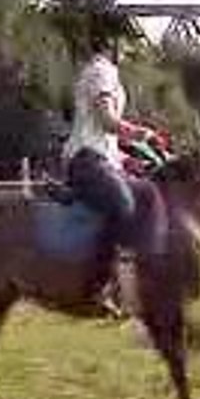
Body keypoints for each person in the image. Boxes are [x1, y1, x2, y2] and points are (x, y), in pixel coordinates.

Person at [62, 33, 161, 316]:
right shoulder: (101, 72)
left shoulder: (106, 73)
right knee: (123, 205)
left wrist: (130, 160)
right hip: (87, 161)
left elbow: (106, 140)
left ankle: (129, 285)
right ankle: (96, 288)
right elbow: (107, 122)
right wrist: (144, 134)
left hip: (100, 159)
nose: (131, 48)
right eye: (128, 42)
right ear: (113, 43)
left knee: (145, 195)